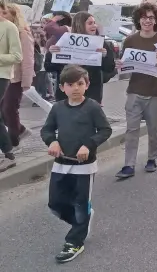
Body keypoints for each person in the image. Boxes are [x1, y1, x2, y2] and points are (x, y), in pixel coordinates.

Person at [41, 65, 112, 263]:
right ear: (62, 87)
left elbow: (105, 130)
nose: (75, 88)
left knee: (80, 204)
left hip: (85, 166)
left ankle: (74, 241)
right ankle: (82, 221)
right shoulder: (57, 108)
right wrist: (52, 141)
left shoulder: (92, 107)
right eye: (70, 84)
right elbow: (46, 131)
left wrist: (88, 145)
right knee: (55, 203)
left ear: (87, 85)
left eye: (80, 84)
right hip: (61, 163)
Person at [115, 3, 157, 178]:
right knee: (132, 130)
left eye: (151, 17)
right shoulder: (130, 40)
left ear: (156, 20)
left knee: (153, 129)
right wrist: (120, 65)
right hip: (134, 91)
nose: (147, 21)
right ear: (138, 20)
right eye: (144, 17)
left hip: (155, 92)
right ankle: (129, 165)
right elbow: (124, 68)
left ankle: (152, 158)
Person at [45, 12, 116, 103]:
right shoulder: (65, 41)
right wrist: (51, 54)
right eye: (90, 23)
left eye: (94, 23)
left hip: (91, 94)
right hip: (66, 96)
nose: (94, 26)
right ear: (80, 24)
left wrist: (105, 56)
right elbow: (49, 67)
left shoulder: (101, 44)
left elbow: (110, 68)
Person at [0, 3, 35, 154]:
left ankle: (14, 142)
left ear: (14, 16)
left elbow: (27, 59)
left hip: (15, 78)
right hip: (6, 74)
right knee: (4, 111)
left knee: (9, 109)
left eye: (5, 13)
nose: (2, 16)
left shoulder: (22, 33)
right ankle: (19, 130)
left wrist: (26, 81)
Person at [0, 0, 23, 172]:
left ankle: (9, 155)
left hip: (2, 75)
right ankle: (8, 153)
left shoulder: (9, 27)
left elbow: (17, 56)